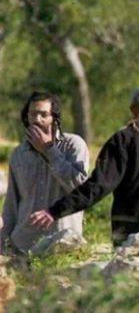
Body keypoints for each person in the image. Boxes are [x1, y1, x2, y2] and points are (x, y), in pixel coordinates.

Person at [29, 87, 139, 244]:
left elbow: (97, 187)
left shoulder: (123, 140)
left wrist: (55, 211)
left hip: (133, 232)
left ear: (133, 109)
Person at [1, 92, 88, 255]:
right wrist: (3, 243)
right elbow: (12, 203)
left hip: (62, 245)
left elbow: (81, 189)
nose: (37, 119)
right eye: (33, 114)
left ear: (54, 118)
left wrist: (49, 150)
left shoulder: (73, 145)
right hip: (23, 245)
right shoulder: (18, 154)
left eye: (44, 114)